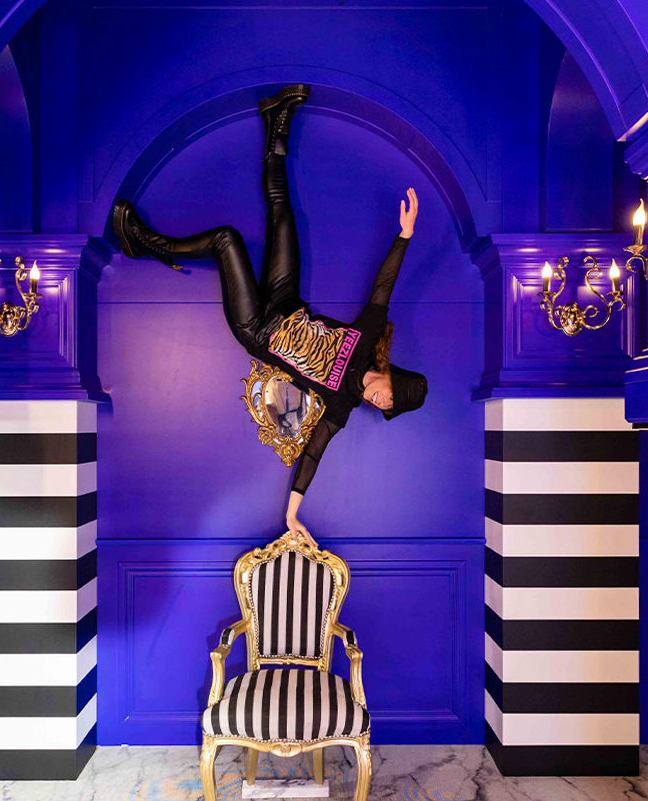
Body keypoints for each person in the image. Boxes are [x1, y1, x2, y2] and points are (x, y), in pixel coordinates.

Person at [112, 84, 427, 543]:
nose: (380, 404)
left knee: (226, 239)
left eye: (385, 409)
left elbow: (313, 454)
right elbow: (384, 286)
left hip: (258, 330)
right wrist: (404, 237)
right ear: (391, 378)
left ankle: (144, 244)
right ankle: (275, 124)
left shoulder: (342, 404)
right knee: (282, 213)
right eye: (389, 399)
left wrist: (292, 515)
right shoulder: (369, 336)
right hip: (286, 301)